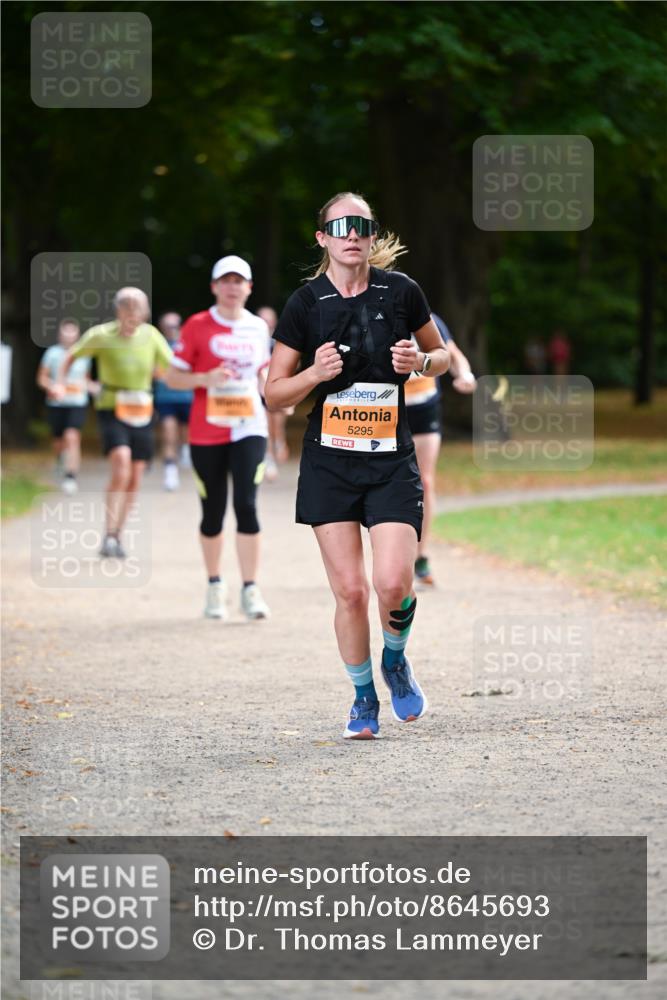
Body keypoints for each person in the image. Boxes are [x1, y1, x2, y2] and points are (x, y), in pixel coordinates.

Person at [265, 192, 449, 740]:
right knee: (350, 592)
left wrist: (420, 361)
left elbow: (443, 357)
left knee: (393, 584)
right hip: (330, 466)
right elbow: (274, 394)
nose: (352, 234)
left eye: (362, 226)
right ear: (322, 237)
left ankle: (395, 658)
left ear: (371, 236)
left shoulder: (403, 291)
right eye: (341, 225)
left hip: (391, 462)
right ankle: (364, 697)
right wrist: (313, 375)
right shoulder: (305, 304)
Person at [166, 255, 272, 621]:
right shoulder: (197, 325)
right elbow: (172, 377)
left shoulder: (258, 328)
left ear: (249, 288)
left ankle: (250, 589)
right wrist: (203, 379)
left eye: (238, 281)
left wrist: (275, 397)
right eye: (225, 281)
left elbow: (263, 373)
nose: (232, 287)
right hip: (206, 431)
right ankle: (215, 586)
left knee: (247, 504)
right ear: (214, 287)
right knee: (212, 510)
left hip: (249, 426)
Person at [59, 288, 173, 557]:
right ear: (118, 310)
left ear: (145, 311)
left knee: (135, 477)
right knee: (121, 463)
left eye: (137, 307)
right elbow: (70, 356)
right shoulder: (101, 335)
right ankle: (109, 531)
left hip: (142, 409)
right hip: (112, 407)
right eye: (127, 307)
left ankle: (116, 535)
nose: (132, 312)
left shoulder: (151, 336)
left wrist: (168, 375)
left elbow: (172, 366)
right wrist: (61, 384)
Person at [405, 313, 476, 588]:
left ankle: (420, 556)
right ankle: (393, 557)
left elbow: (454, 355)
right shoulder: (376, 315)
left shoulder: (427, 320)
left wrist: (465, 375)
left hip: (424, 409)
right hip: (389, 412)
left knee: (424, 481)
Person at [36, 319, 98, 495]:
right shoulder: (52, 353)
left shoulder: (84, 355)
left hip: (77, 402)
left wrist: (93, 387)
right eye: (66, 332)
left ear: (77, 336)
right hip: (57, 403)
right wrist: (53, 387)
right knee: (58, 441)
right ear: (60, 335)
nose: (69, 336)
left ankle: (70, 477)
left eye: (72, 333)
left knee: (72, 436)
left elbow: (85, 379)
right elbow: (41, 378)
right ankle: (59, 458)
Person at [154, 311, 192, 491]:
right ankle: (170, 471)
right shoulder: (157, 345)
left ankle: (186, 452)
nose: (171, 329)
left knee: (186, 435)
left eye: (174, 326)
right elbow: (153, 371)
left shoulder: (188, 345)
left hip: (187, 397)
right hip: (166, 398)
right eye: (167, 326)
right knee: (169, 434)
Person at [257, 305, 290, 481]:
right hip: (259, 390)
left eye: (269, 319)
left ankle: (279, 444)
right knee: (266, 426)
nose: (267, 323)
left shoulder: (281, 340)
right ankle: (269, 459)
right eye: (263, 319)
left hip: (278, 387)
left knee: (277, 426)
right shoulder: (252, 340)